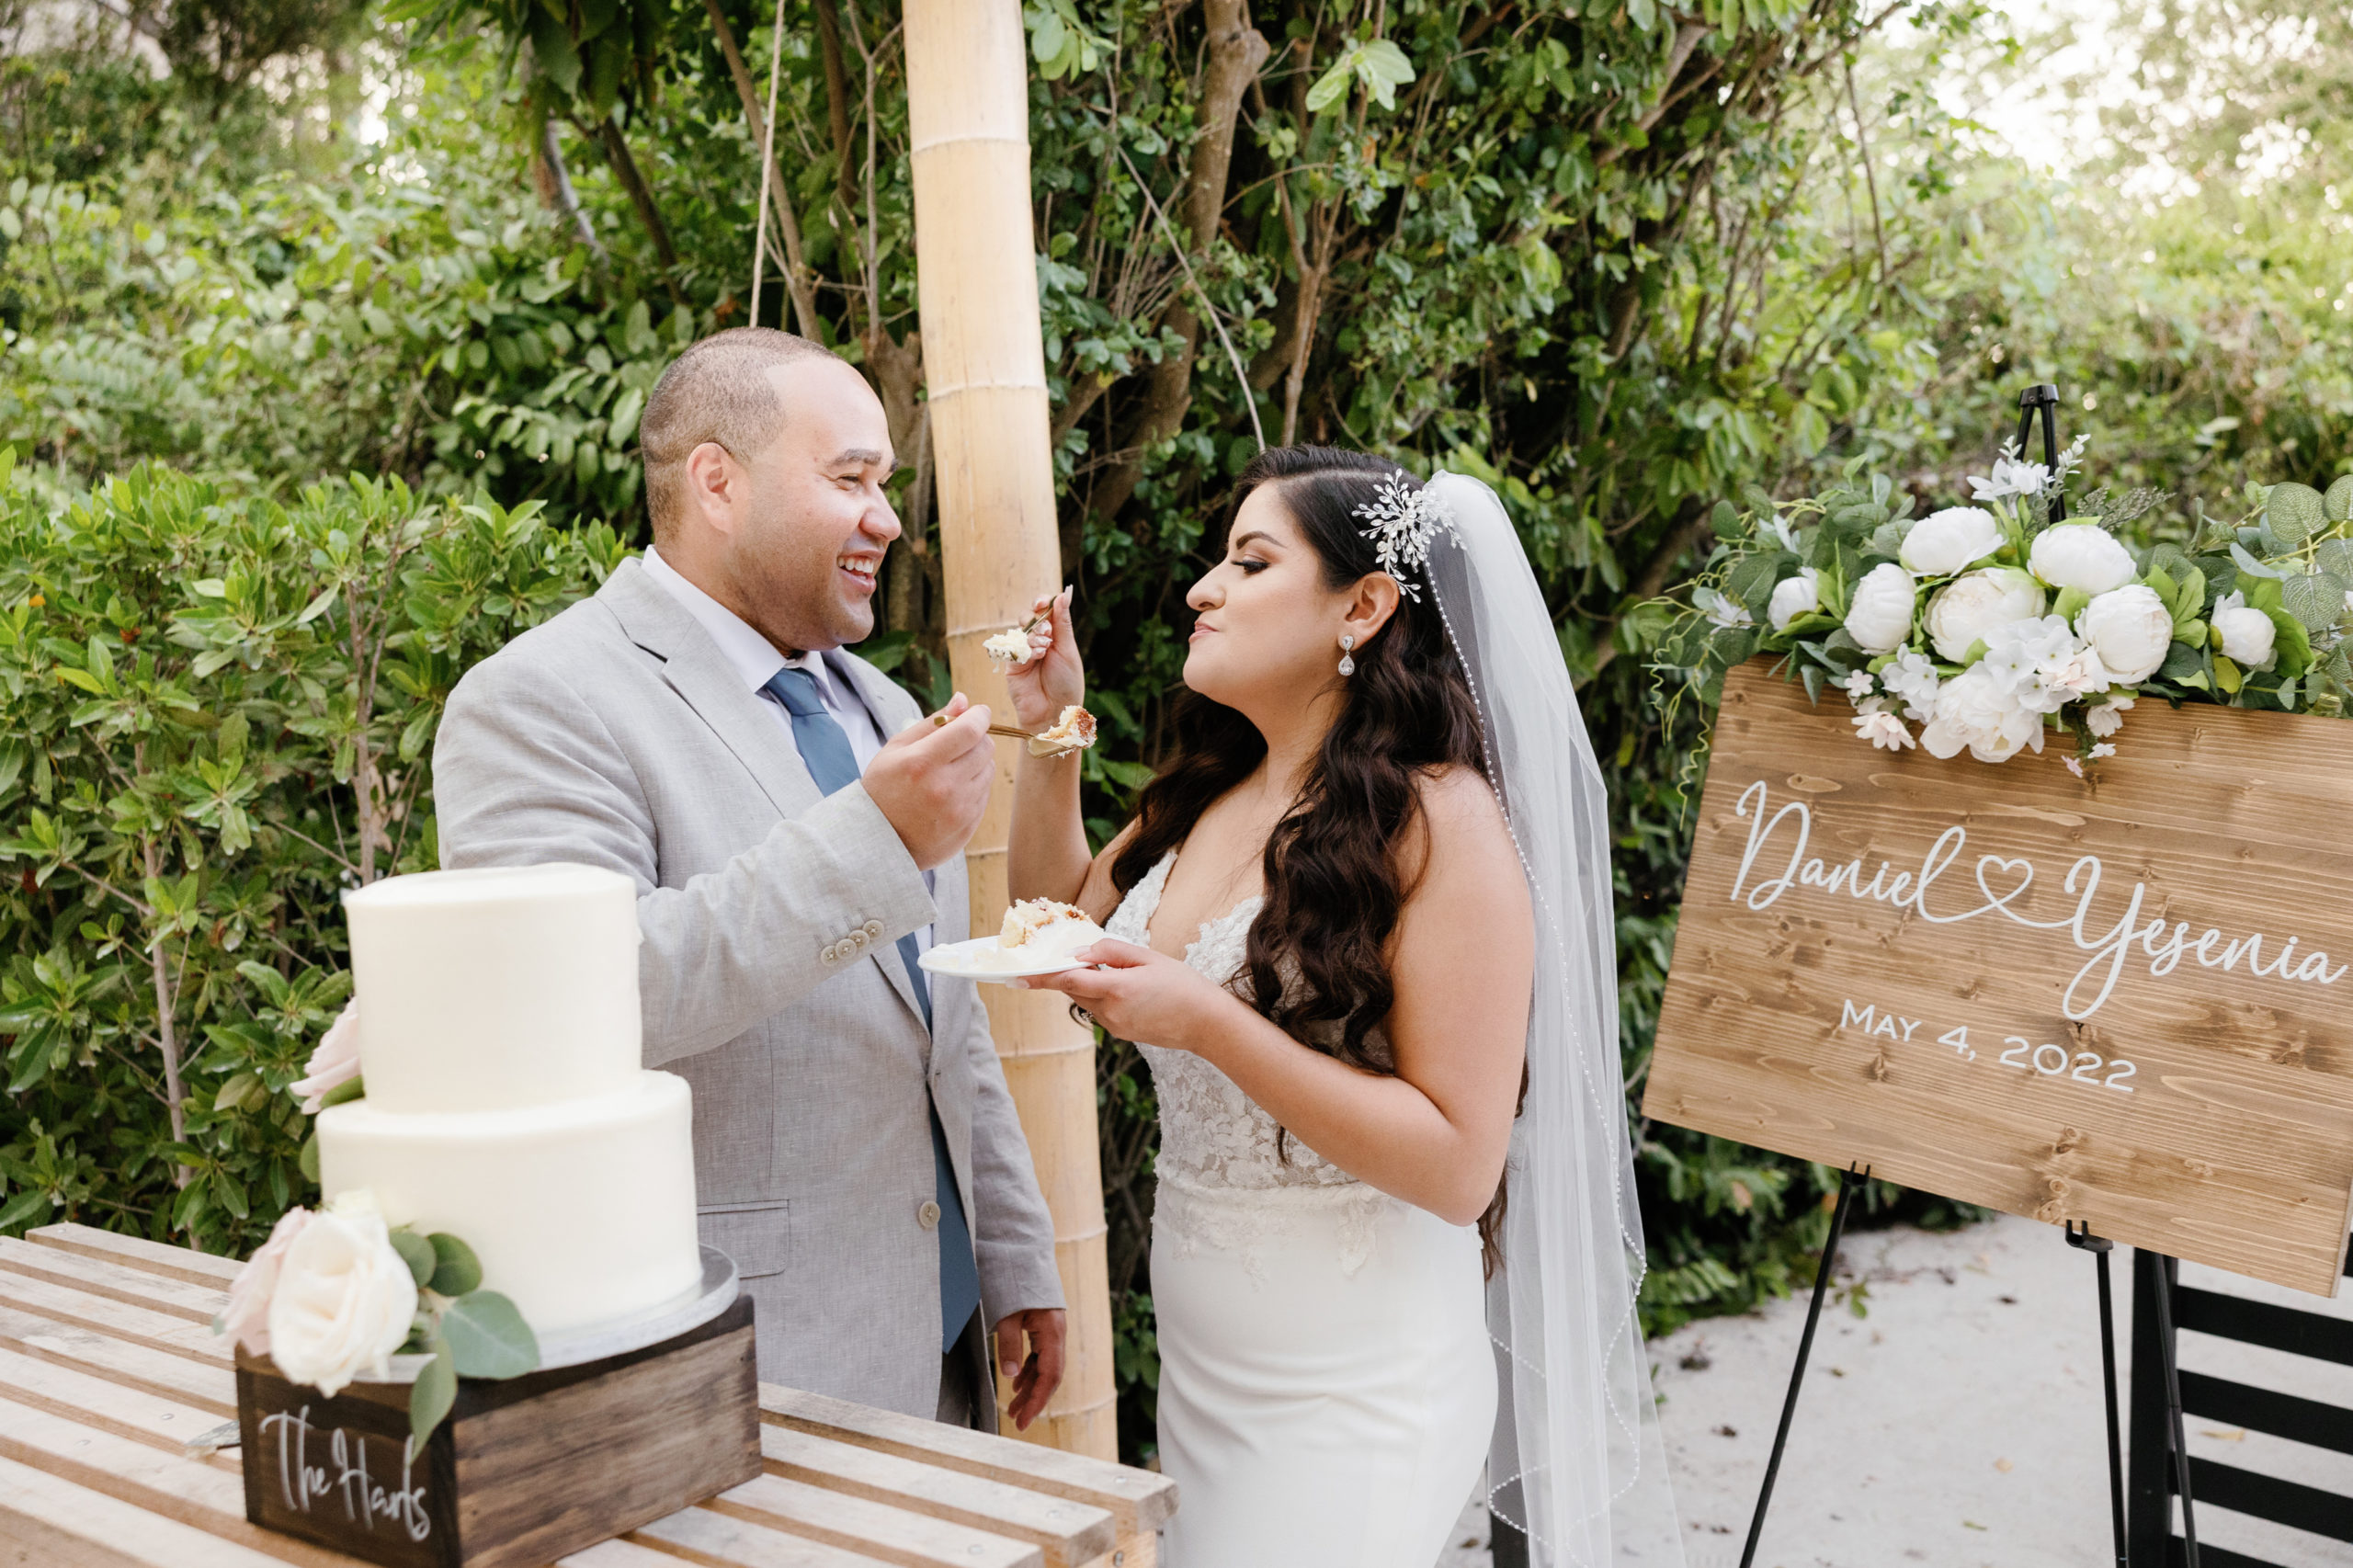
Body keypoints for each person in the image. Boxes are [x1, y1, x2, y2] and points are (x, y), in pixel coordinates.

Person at [1006, 449, 1684, 1565]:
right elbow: (1058, 916)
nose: (1199, 589)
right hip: (1205, 1364)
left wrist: (1212, 1023)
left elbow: (1461, 1164)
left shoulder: (1440, 821)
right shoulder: (1212, 793)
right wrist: (1047, 734)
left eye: (1249, 560)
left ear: (1363, 605)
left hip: (1360, 1385)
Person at [431, 327, 1066, 1433]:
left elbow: (943, 1023)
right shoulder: (538, 700)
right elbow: (583, 999)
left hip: (945, 1347)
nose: (887, 517)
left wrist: (1011, 1254)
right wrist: (874, 834)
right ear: (717, 482)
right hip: (750, 1362)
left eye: (887, 482)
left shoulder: (882, 705)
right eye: (851, 478)